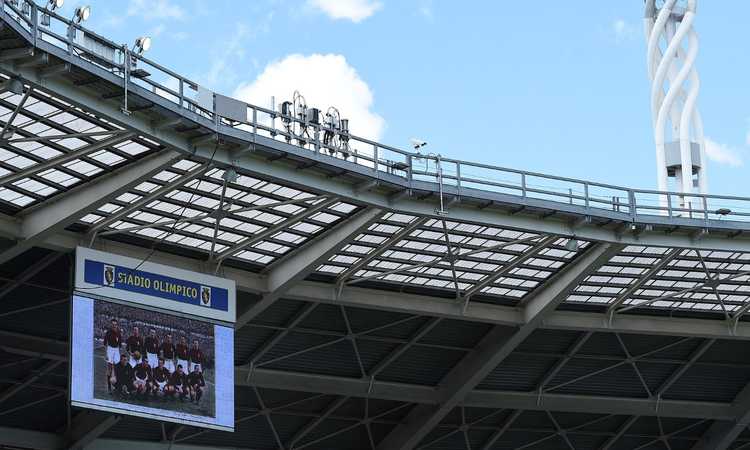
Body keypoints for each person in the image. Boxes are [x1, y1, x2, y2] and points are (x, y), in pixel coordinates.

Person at [103, 318, 122, 393]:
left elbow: (120, 345)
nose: (114, 326)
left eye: (115, 324)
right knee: (110, 368)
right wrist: (106, 354)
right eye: (113, 324)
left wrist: (119, 354)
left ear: (117, 325)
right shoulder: (108, 332)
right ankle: (109, 387)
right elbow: (105, 344)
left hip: (116, 350)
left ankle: (117, 386)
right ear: (111, 325)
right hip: (110, 349)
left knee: (117, 368)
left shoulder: (119, 333)